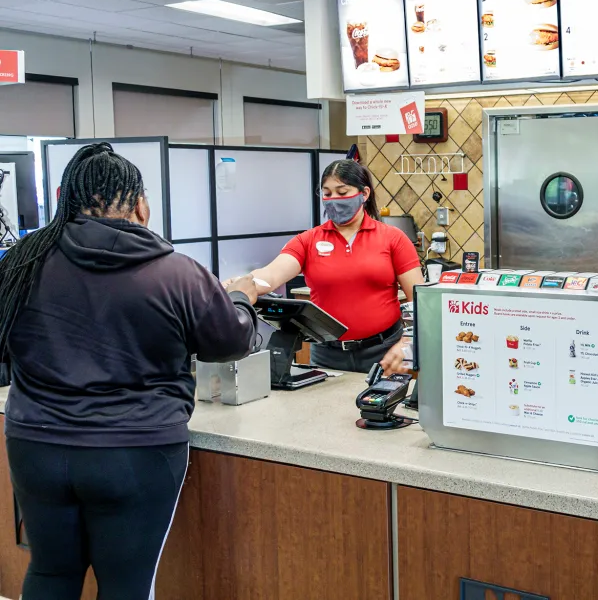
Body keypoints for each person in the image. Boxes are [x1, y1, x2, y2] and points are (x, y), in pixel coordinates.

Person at [0, 143, 259, 600]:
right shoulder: (175, 272)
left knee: (50, 573)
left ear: (67, 199)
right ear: (141, 204)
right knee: (126, 587)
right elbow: (230, 342)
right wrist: (239, 299)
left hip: (36, 446)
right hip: (135, 453)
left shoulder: (23, 263)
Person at [252, 160, 423, 374]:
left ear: (364, 193)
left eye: (342, 192)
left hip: (385, 352)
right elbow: (270, 275)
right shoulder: (308, 240)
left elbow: (419, 299)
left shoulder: (393, 239)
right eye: (327, 193)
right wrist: (240, 286)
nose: (334, 200)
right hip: (325, 354)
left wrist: (408, 341)